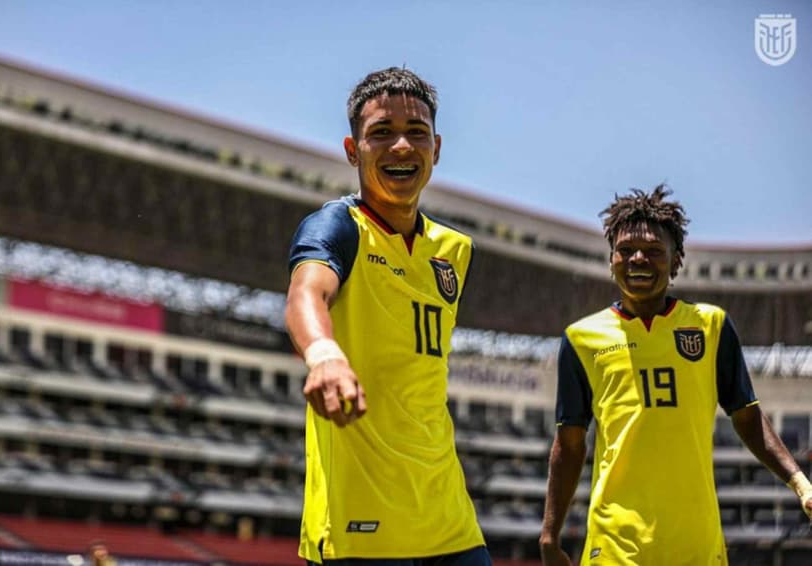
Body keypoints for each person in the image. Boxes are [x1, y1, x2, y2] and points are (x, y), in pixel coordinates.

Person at [539, 185, 812, 565]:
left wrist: (800, 483)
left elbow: (748, 418)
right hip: (615, 546)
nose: (638, 259)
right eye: (625, 251)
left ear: (677, 261)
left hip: (695, 544)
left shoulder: (711, 327)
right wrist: (550, 536)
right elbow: (568, 446)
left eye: (653, 252)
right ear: (610, 260)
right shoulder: (581, 339)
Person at [285, 68, 490, 565]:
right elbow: (305, 293)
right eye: (381, 133)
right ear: (353, 150)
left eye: (416, 133)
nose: (401, 146)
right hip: (360, 528)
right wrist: (324, 355)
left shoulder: (453, 251)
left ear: (436, 149)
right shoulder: (338, 226)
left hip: (450, 521)